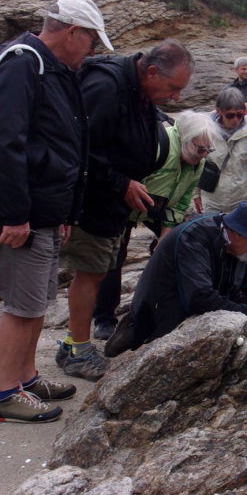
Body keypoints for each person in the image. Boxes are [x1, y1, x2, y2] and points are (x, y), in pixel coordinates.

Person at [0, 0, 112, 424]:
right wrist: (15, 215)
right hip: (23, 212)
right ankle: (4, 394)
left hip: (45, 210)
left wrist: (66, 213)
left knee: (37, 299)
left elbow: (60, 144)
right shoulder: (22, 65)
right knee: (24, 304)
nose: (92, 51)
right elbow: (4, 142)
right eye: (92, 41)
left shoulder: (52, 68)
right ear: (74, 32)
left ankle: (27, 377)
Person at [57, 40, 194, 380]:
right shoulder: (106, 87)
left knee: (98, 271)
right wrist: (122, 183)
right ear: (151, 72)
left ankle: (74, 342)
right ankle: (78, 350)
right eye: (173, 88)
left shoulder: (138, 90)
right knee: (90, 272)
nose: (176, 97)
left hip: (112, 202)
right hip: (92, 202)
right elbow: (80, 147)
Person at [88, 112, 213, 347]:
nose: (204, 155)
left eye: (209, 150)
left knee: (184, 243)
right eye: (200, 150)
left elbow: (183, 199)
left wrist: (166, 234)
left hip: (159, 204)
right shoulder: (155, 146)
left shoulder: (198, 162)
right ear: (186, 139)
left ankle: (172, 308)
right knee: (113, 258)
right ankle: (104, 319)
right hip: (124, 202)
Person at [103, 200, 247, 356]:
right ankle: (131, 330)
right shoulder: (193, 237)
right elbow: (199, 296)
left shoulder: (238, 246)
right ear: (236, 232)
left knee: (246, 296)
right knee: (154, 341)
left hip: (205, 290)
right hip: (163, 304)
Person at [199, 87, 247, 213]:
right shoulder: (204, 130)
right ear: (219, 111)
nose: (236, 119)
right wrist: (195, 195)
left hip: (243, 201)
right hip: (212, 201)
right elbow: (195, 164)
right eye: (230, 115)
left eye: (240, 114)